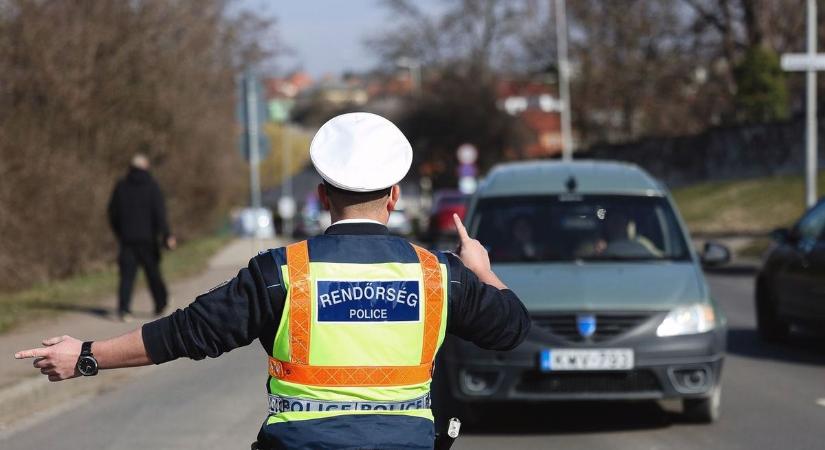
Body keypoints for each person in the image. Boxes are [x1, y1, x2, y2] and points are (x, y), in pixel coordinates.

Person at [15, 113, 530, 449]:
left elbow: (182, 334)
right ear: (394, 196)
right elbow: (511, 328)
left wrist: (85, 354)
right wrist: (481, 269)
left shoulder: (281, 274)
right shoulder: (439, 277)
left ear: (323, 196)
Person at [107, 153, 177, 321]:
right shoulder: (152, 186)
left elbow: (112, 213)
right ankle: (161, 304)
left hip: (127, 240)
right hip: (148, 240)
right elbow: (159, 213)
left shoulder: (121, 186)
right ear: (146, 167)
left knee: (127, 277)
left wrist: (120, 232)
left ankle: (124, 310)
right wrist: (167, 234)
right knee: (153, 274)